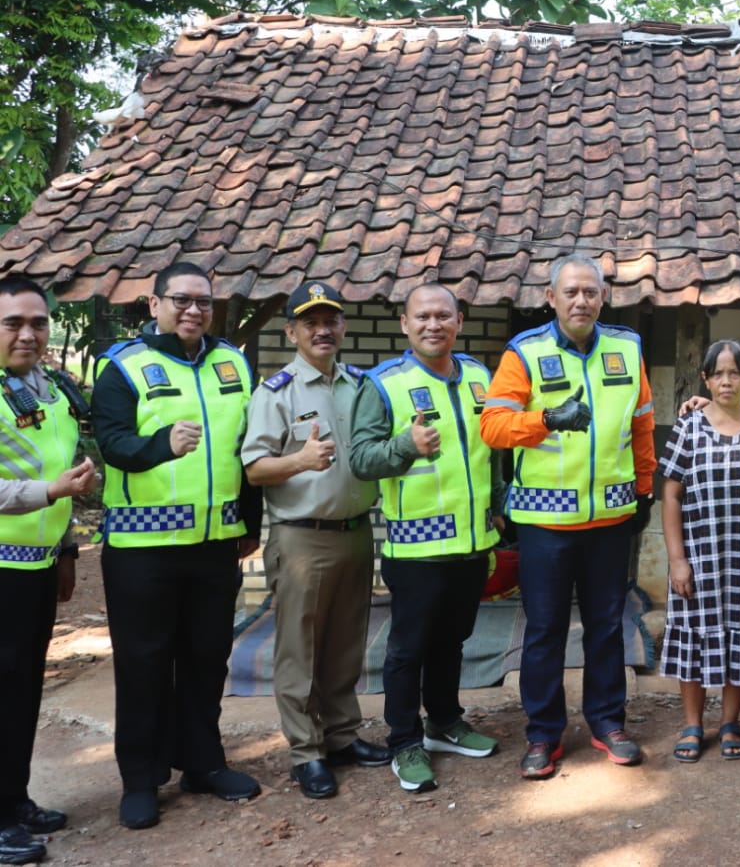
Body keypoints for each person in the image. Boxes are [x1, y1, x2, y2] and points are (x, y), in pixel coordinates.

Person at [90, 261, 264, 829]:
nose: (193, 311)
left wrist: (249, 524)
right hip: (142, 549)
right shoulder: (123, 367)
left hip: (215, 544)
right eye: (181, 300)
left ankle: (202, 763)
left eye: (203, 302)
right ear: (154, 304)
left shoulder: (233, 363)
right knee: (144, 664)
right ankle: (141, 779)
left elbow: (248, 450)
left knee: (206, 658)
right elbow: (113, 443)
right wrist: (161, 444)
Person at [480, 254, 656, 778]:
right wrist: (546, 421)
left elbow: (642, 423)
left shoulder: (627, 346)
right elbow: (493, 426)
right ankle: (543, 735)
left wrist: (644, 489)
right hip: (544, 525)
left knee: (607, 627)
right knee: (545, 631)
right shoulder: (524, 353)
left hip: (610, 521)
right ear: (550, 298)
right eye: (571, 292)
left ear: (604, 297)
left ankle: (607, 723)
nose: (581, 300)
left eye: (591, 292)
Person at [349, 283, 503, 794]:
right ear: (405, 324)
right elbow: (361, 458)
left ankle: (443, 721)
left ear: (459, 321)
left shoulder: (481, 377)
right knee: (407, 649)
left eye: (443, 315)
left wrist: (500, 505)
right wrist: (404, 445)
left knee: (452, 641)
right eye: (423, 317)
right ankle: (403, 741)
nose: (433, 324)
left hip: (472, 542)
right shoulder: (384, 384)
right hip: (416, 546)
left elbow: (493, 452)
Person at [241, 282, 387, 800]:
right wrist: (300, 461)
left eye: (331, 320)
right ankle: (306, 752)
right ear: (292, 333)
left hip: (354, 531)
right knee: (299, 650)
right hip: (302, 536)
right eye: (310, 322)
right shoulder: (275, 392)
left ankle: (343, 737)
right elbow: (256, 468)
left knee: (346, 644)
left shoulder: (359, 384)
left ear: (343, 327)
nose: (323, 330)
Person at [0, 276, 98, 865]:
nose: (29, 334)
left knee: (22, 692)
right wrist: (49, 491)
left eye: (38, 323)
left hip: (35, 567)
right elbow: (46, 483)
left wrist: (65, 552)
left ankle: (14, 799)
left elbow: (61, 475)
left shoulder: (49, 392)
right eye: (14, 323)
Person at [657, 339, 740, 762]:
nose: (727, 381)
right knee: (693, 637)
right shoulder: (689, 426)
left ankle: (731, 721)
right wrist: (677, 559)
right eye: (719, 374)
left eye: (735, 373)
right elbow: (671, 494)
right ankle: (692, 724)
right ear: (706, 379)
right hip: (698, 556)